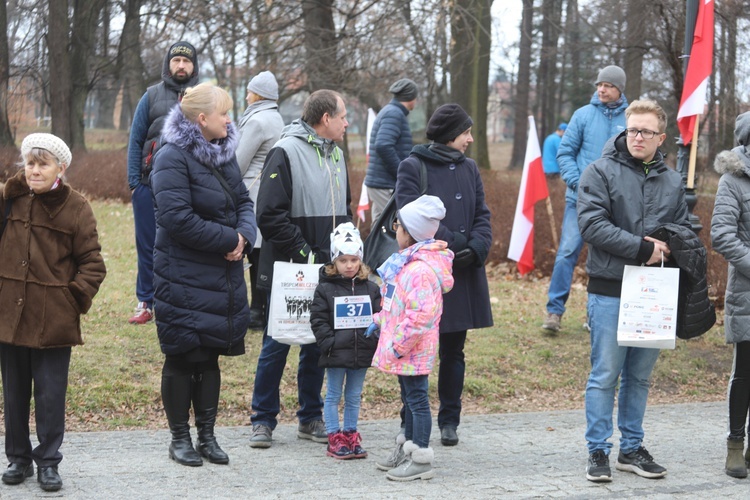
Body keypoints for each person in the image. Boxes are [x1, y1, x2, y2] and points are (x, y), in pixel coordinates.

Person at [577, 99, 689, 483]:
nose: (638, 137)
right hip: (609, 289)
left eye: (646, 131)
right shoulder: (599, 171)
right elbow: (592, 225)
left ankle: (631, 448)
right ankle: (597, 450)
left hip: (653, 291)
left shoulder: (674, 181)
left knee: (639, 377)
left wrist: (675, 242)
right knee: (605, 374)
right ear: (624, 131)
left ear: (661, 137)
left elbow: (685, 227)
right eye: (632, 130)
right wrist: (642, 248)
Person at [150, 83, 257, 467]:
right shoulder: (171, 158)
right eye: (224, 113)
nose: (230, 119)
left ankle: (207, 437)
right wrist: (228, 238)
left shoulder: (223, 153)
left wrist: (244, 235)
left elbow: (244, 200)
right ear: (201, 119)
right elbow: (176, 218)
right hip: (182, 276)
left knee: (209, 356)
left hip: (220, 276)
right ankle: (179, 438)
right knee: (183, 356)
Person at [0, 134, 106, 492]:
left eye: (43, 163)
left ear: (60, 168)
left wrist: (70, 300)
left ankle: (48, 461)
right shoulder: (9, 199)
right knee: (14, 392)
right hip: (9, 315)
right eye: (30, 162)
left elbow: (93, 264)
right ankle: (17, 458)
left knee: (49, 394)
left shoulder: (76, 207)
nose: (34, 170)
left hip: (53, 320)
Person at [249, 89, 352, 448]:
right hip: (290, 269)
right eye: (343, 116)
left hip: (328, 270)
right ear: (326, 119)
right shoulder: (285, 151)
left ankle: (310, 417)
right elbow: (268, 215)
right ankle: (262, 419)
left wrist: (346, 253)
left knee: (317, 345)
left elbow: (347, 210)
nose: (346, 122)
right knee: (276, 344)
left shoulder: (338, 154)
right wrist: (307, 253)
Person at [395, 103, 493, 447]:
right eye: (466, 132)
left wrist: (478, 246)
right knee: (415, 352)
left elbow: (482, 212)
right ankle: (410, 420)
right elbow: (410, 215)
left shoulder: (469, 168)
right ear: (453, 134)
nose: (470, 139)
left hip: (463, 273)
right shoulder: (413, 165)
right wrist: (454, 243)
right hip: (426, 275)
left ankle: (450, 419)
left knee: (455, 351)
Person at [370, 195, 454, 481]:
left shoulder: (419, 271)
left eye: (399, 226)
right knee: (408, 400)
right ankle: (406, 449)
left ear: (411, 233)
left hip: (411, 351)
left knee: (417, 401)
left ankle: (420, 457)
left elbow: (420, 317)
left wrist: (396, 346)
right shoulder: (406, 264)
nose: (395, 229)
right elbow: (397, 307)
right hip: (404, 350)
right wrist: (378, 320)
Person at [542, 65, 628, 333]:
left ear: (619, 89)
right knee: (566, 253)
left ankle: (596, 316)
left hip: (615, 206)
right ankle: (554, 312)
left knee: (606, 260)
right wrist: (579, 183)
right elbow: (565, 153)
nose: (601, 89)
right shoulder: (582, 115)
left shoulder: (631, 118)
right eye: (599, 84)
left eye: (608, 85)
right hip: (578, 201)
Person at [126, 41, 199, 325]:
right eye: (176, 60)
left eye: (187, 61)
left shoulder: (204, 97)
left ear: (194, 66)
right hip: (147, 185)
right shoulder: (151, 96)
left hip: (188, 188)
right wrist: (135, 183)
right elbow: (135, 140)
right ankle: (146, 301)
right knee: (148, 245)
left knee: (184, 245)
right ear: (168, 64)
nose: (181, 65)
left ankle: (180, 302)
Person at [310, 222, 381, 460]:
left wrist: (375, 336)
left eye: (353, 259)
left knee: (353, 395)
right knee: (333, 395)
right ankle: (334, 436)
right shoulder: (325, 289)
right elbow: (318, 319)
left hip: (362, 351)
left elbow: (380, 315)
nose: (349, 265)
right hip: (336, 352)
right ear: (334, 262)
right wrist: (328, 342)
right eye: (343, 260)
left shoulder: (371, 288)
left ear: (360, 259)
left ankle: (350, 434)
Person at [711, 111, 750, 479]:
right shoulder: (733, 180)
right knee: (746, 372)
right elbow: (722, 235)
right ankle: (734, 445)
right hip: (749, 290)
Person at [236, 71, 285, 331]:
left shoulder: (256, 121)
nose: (246, 96)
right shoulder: (277, 118)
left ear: (259, 95)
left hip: (251, 192)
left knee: (251, 252)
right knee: (261, 253)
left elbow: (239, 162)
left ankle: (255, 310)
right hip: (269, 191)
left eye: (250, 91)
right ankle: (261, 306)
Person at [364, 78, 418, 224]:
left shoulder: (392, 112)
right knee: (393, 228)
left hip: (381, 183)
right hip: (384, 184)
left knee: (379, 228)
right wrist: (402, 172)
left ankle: (372, 248)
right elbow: (383, 145)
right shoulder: (394, 114)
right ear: (410, 97)